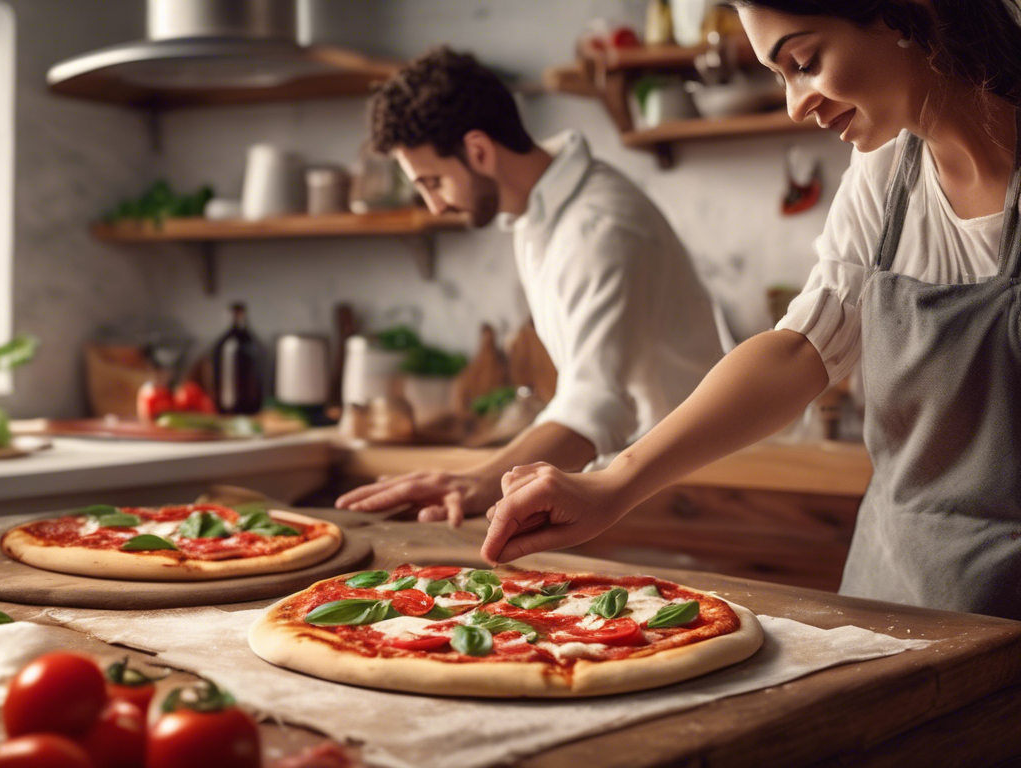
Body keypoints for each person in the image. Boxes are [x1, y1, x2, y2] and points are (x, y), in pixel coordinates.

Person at [481, 0, 1021, 620]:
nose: (797, 103)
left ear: (908, 13)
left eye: (805, 61)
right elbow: (801, 348)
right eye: (781, 75)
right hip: (897, 595)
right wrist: (611, 485)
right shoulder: (885, 170)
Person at [335, 47, 724, 526]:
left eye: (433, 181)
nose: (434, 206)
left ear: (478, 150)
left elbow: (598, 404)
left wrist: (481, 479)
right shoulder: (534, 215)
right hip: (630, 480)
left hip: (685, 490)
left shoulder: (597, 227)